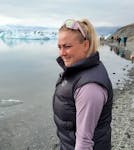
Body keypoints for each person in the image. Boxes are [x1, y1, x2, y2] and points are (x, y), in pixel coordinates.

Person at [53, 18, 113, 150]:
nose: (62, 53)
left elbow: (84, 142)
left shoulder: (89, 87)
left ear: (85, 45)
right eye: (59, 47)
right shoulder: (79, 71)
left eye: (67, 46)